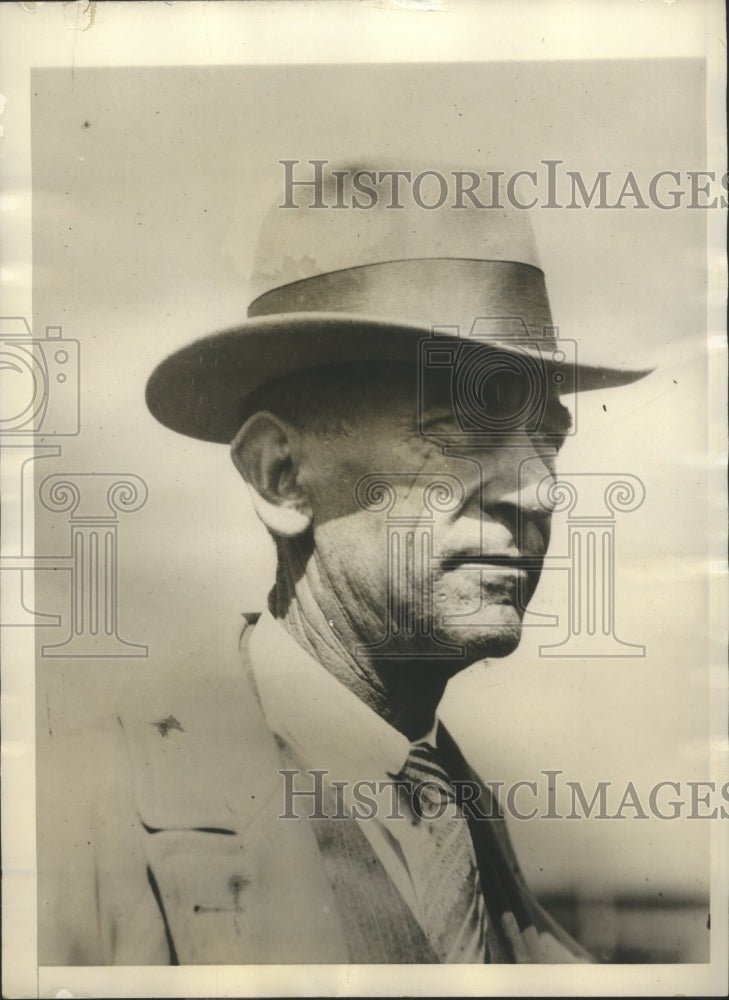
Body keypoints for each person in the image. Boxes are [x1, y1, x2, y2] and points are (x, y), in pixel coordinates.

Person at [38, 165, 651, 965]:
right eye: (462, 435)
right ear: (280, 476)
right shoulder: (66, 828)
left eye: (548, 441)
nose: (539, 493)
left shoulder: (495, 870)